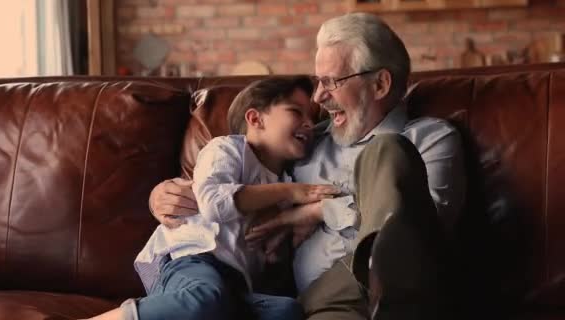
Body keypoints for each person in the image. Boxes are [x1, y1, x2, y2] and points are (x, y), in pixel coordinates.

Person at [150, 13, 466, 320]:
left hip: (404, 288)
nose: (318, 97)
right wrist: (164, 194)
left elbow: (423, 225)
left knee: (387, 150)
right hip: (324, 303)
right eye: (318, 82)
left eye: (332, 82)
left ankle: (381, 280)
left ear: (381, 84)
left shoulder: (430, 137)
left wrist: (313, 212)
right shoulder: (305, 142)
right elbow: (232, 182)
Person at [89, 76, 342, 320]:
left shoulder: (284, 181)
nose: (309, 122)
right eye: (296, 112)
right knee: (205, 297)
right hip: (193, 260)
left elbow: (269, 252)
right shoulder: (227, 150)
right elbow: (213, 204)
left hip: (235, 285)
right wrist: (293, 192)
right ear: (256, 118)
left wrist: (279, 244)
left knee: (285, 311)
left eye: (311, 116)